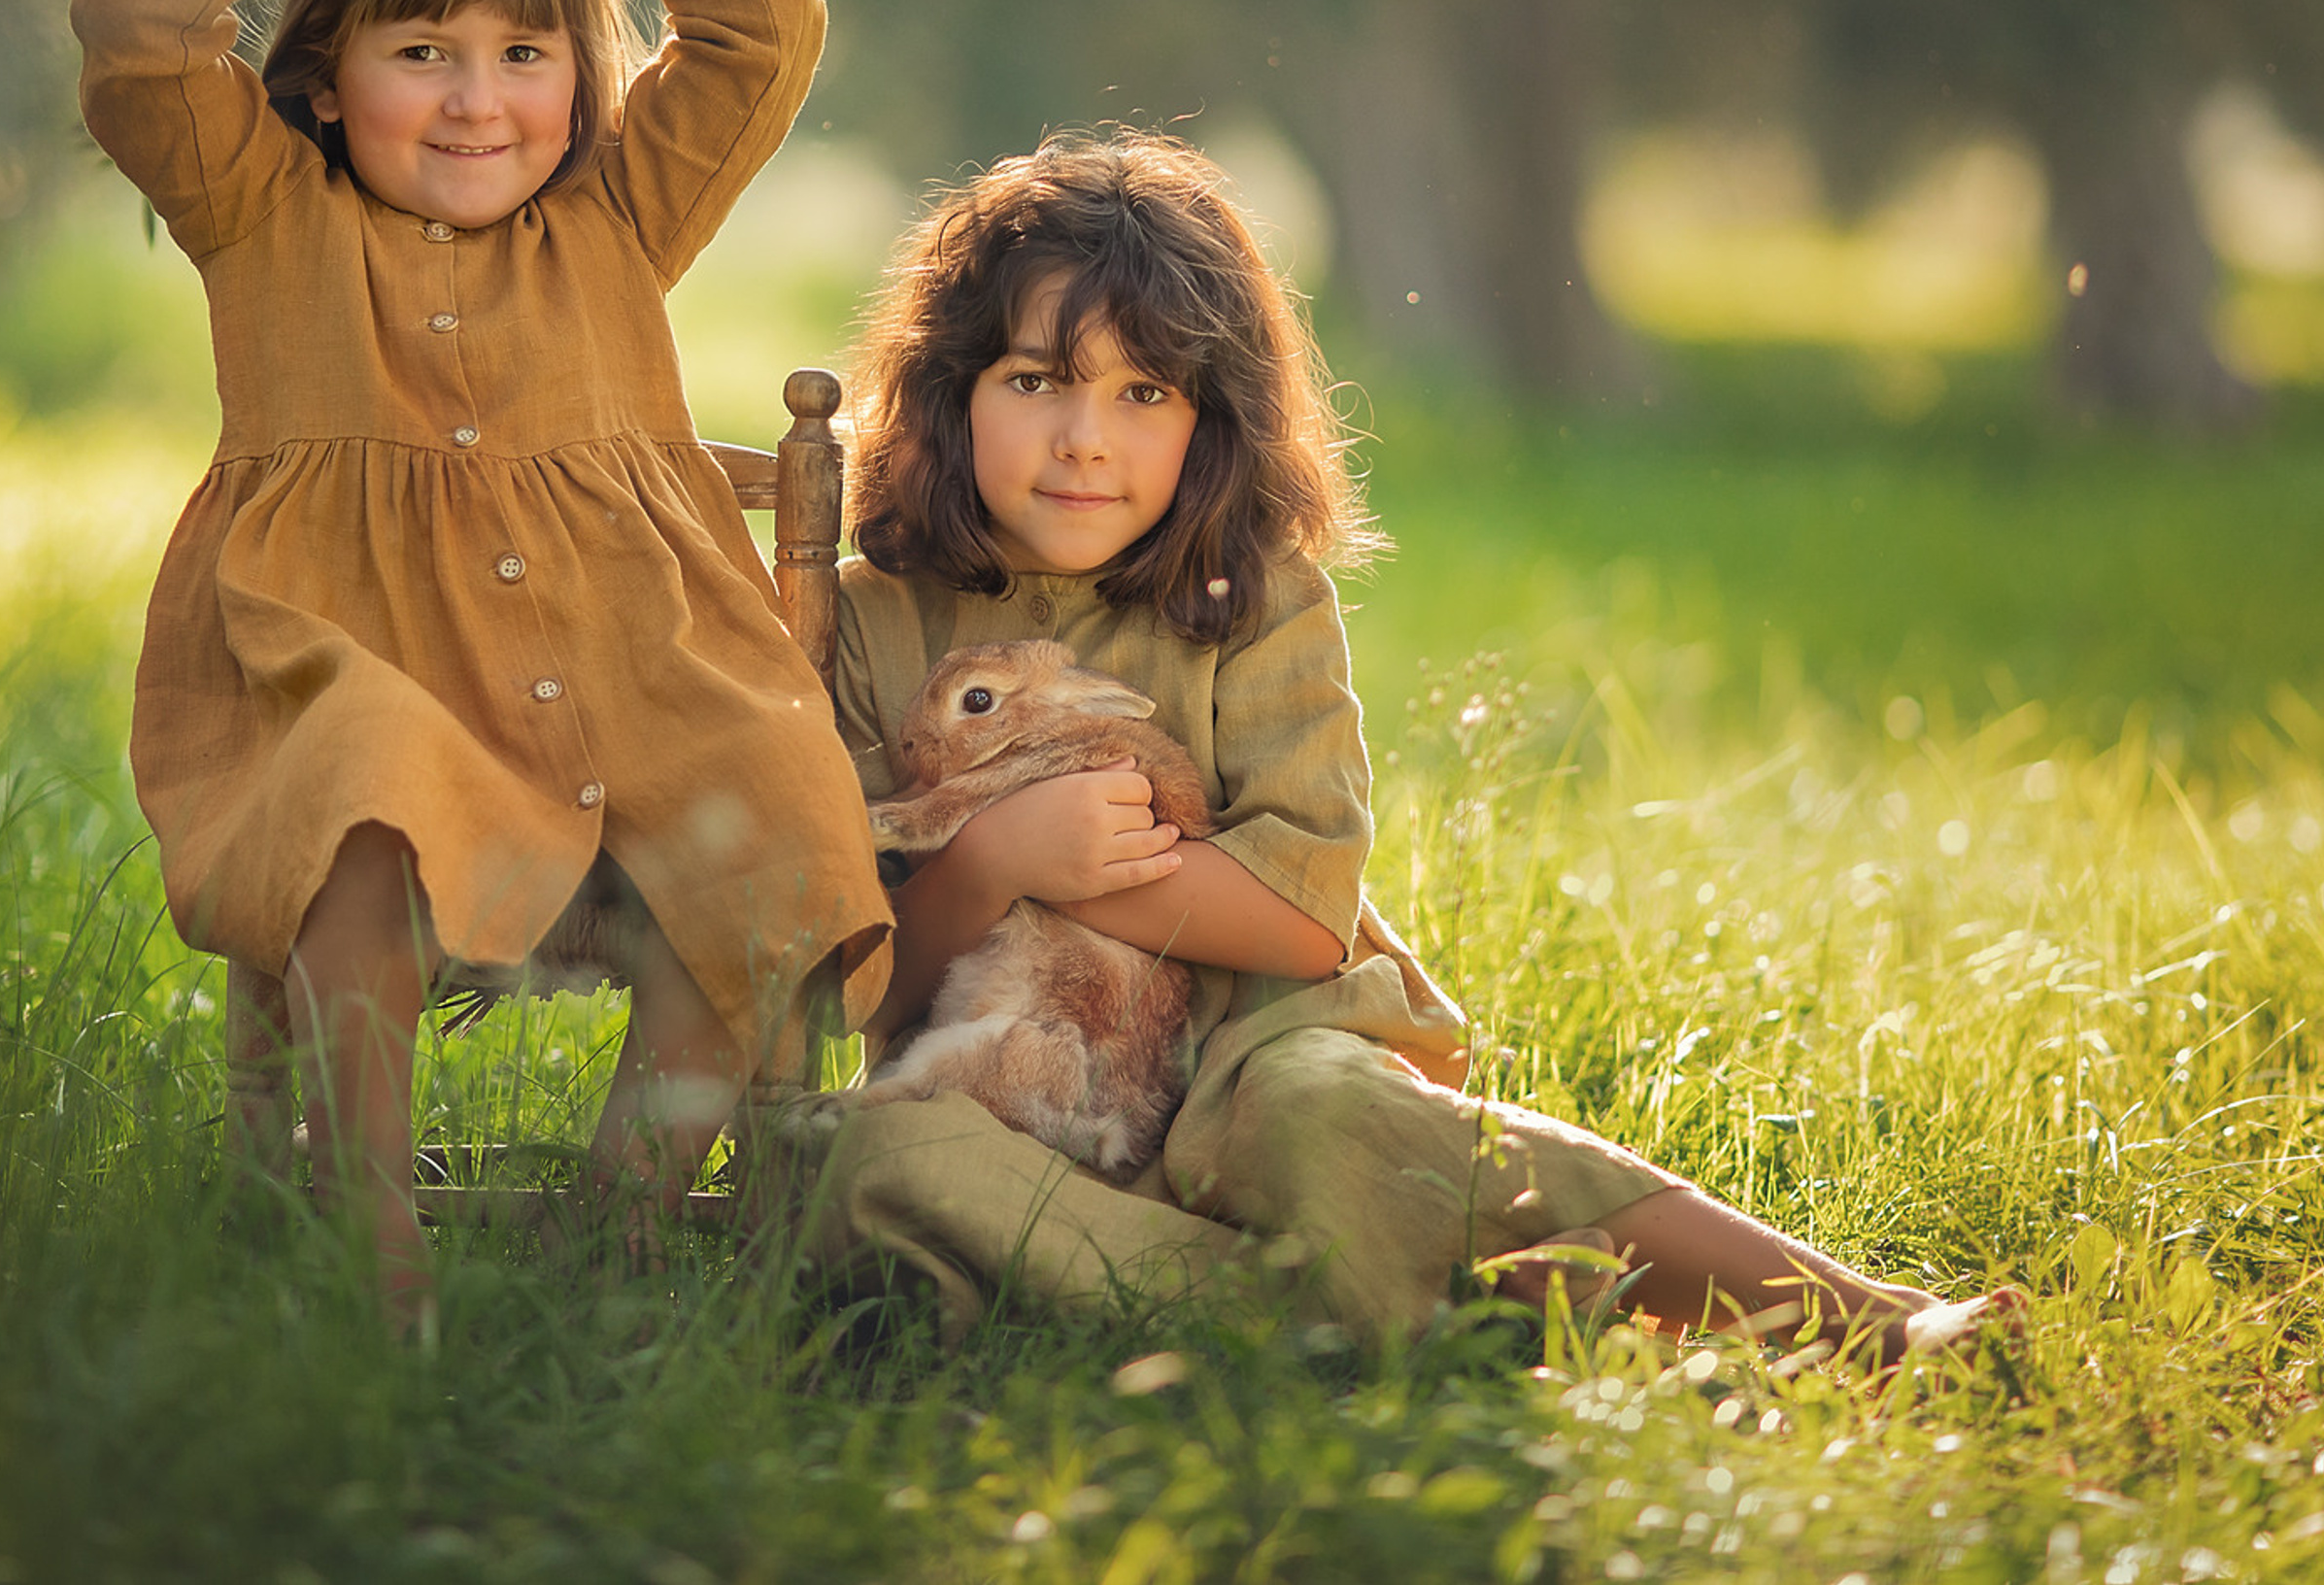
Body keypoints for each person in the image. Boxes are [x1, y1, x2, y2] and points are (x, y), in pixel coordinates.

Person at [773, 127, 2014, 1361]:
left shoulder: (1254, 597)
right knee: (883, 1160)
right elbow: (861, 978)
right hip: (1014, 1098)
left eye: (1143, 392)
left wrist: (1081, 864)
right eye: (1035, 381)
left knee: (1330, 1117)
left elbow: (1304, 918)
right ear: (953, 389)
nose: (1085, 437)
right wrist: (992, 859)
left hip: (1256, 1059)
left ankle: (1863, 1316)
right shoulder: (872, 622)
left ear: (1212, 422)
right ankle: (1347, 1300)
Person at [70, 0, 890, 1318]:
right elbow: (138, 24)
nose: (475, 100)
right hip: (364, 710)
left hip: (633, 705)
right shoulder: (261, 213)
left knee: (776, 824)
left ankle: (623, 1212)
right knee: (365, 793)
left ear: (579, 79)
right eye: (422, 49)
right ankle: (376, 1249)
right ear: (326, 68)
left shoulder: (616, 219)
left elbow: (763, 31)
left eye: (525, 53)